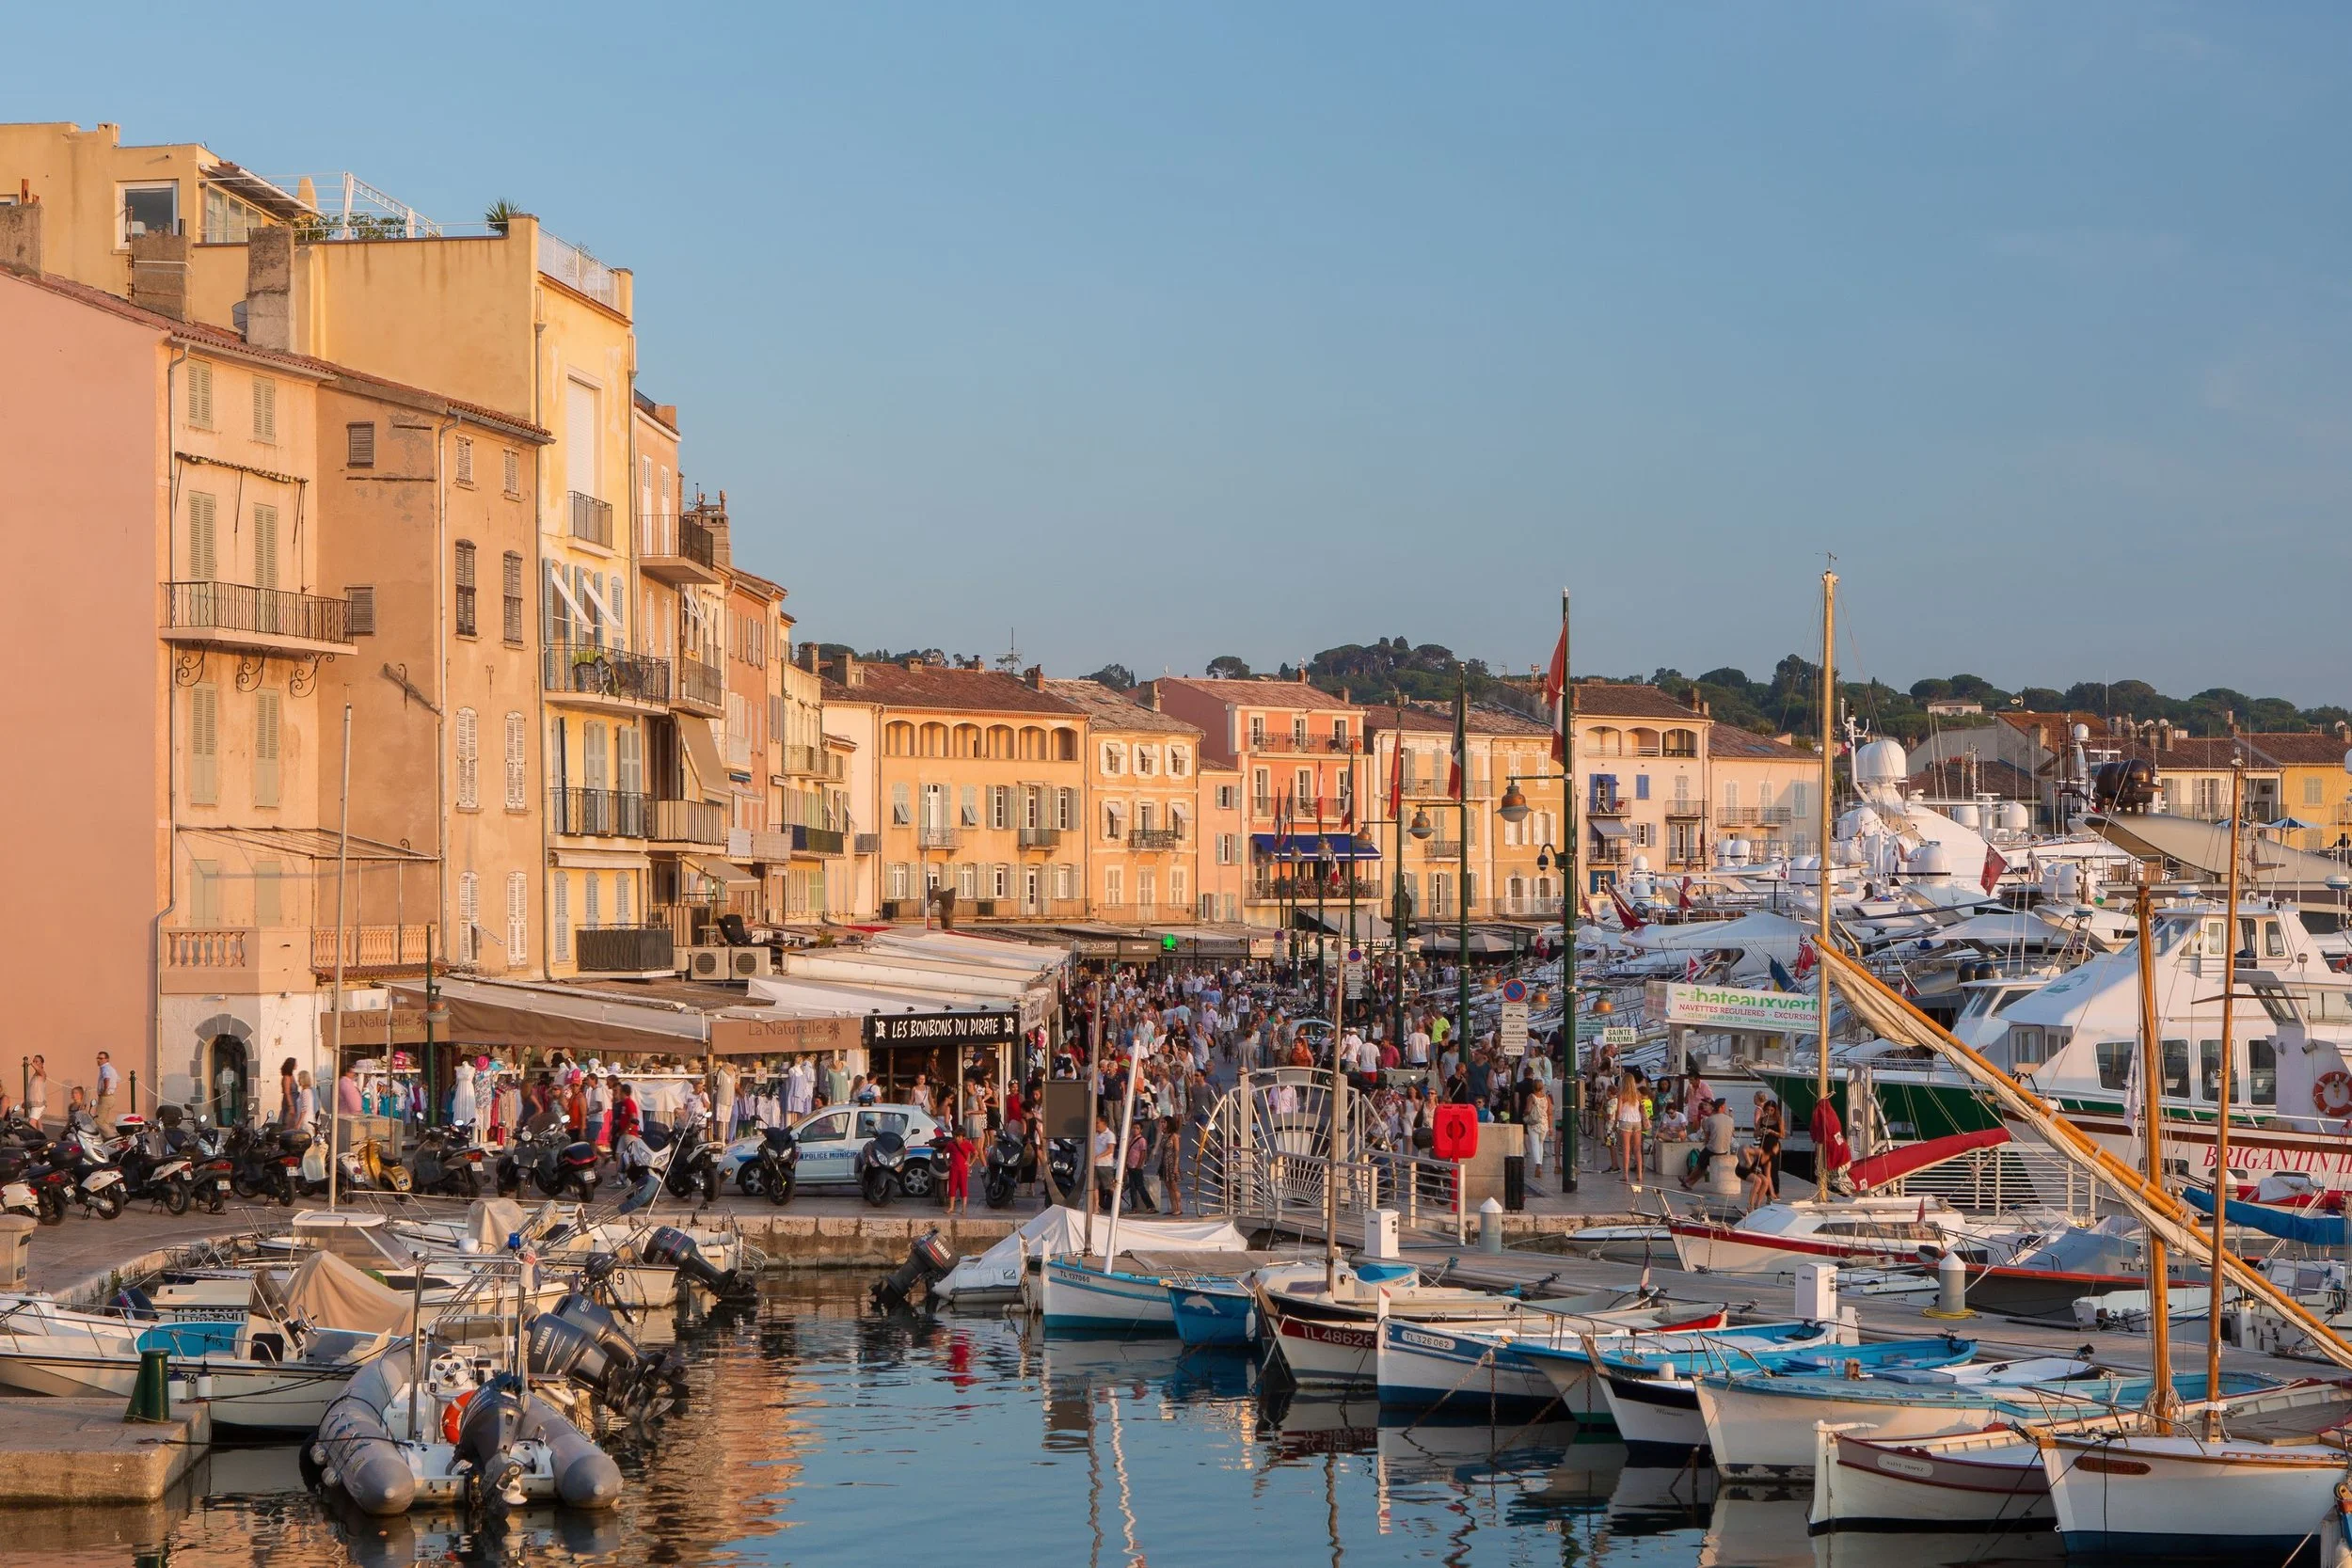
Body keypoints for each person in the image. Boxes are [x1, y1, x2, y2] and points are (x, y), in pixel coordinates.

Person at [1810, 1097, 1851, 1192]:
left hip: (1828, 1143)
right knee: (1838, 1164)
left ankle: (1825, 1189)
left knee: (1824, 1168)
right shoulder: (1832, 1114)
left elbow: (1815, 1126)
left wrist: (1816, 1137)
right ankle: (1825, 1189)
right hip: (1838, 1143)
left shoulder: (1819, 1113)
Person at [1614, 1071, 1645, 1190]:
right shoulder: (1638, 1094)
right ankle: (1639, 1174)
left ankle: (1625, 1174)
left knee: (1626, 1149)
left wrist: (1615, 1123)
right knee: (1637, 1148)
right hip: (1637, 1122)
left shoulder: (1622, 1094)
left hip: (1625, 1121)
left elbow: (1619, 1111)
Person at [944, 1125, 975, 1213]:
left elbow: (975, 1153)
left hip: (963, 1170)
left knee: (963, 1188)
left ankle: (964, 1209)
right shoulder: (951, 1144)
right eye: (956, 1136)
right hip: (954, 1169)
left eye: (959, 1137)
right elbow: (944, 1152)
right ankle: (951, 1207)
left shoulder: (967, 1144)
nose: (957, 1139)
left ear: (963, 1137)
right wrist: (946, 1162)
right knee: (952, 1188)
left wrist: (970, 1163)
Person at [1091, 1115, 1118, 1207]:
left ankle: (1116, 1204)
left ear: (1104, 1123)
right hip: (1094, 1165)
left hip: (1105, 1165)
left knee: (1109, 1186)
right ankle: (1096, 1207)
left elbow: (1110, 1149)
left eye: (1097, 1123)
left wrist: (1098, 1156)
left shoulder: (1110, 1135)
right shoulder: (1094, 1134)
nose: (1096, 1125)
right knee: (1094, 1186)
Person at [92, 1051, 119, 1130]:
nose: (98, 1060)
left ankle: (110, 1137)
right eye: (98, 1058)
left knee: (98, 1121)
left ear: (107, 1059)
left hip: (105, 1097)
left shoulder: (105, 1068)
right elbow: (118, 1079)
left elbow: (106, 1078)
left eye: (101, 1058)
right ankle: (106, 1140)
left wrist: (105, 1091)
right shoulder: (111, 1069)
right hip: (110, 1097)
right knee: (104, 1121)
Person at [294, 1069, 316, 1133]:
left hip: (305, 1123)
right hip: (306, 1122)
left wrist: (298, 1123)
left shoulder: (305, 1092)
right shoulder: (306, 1091)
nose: (298, 1081)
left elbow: (304, 1109)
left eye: (299, 1078)